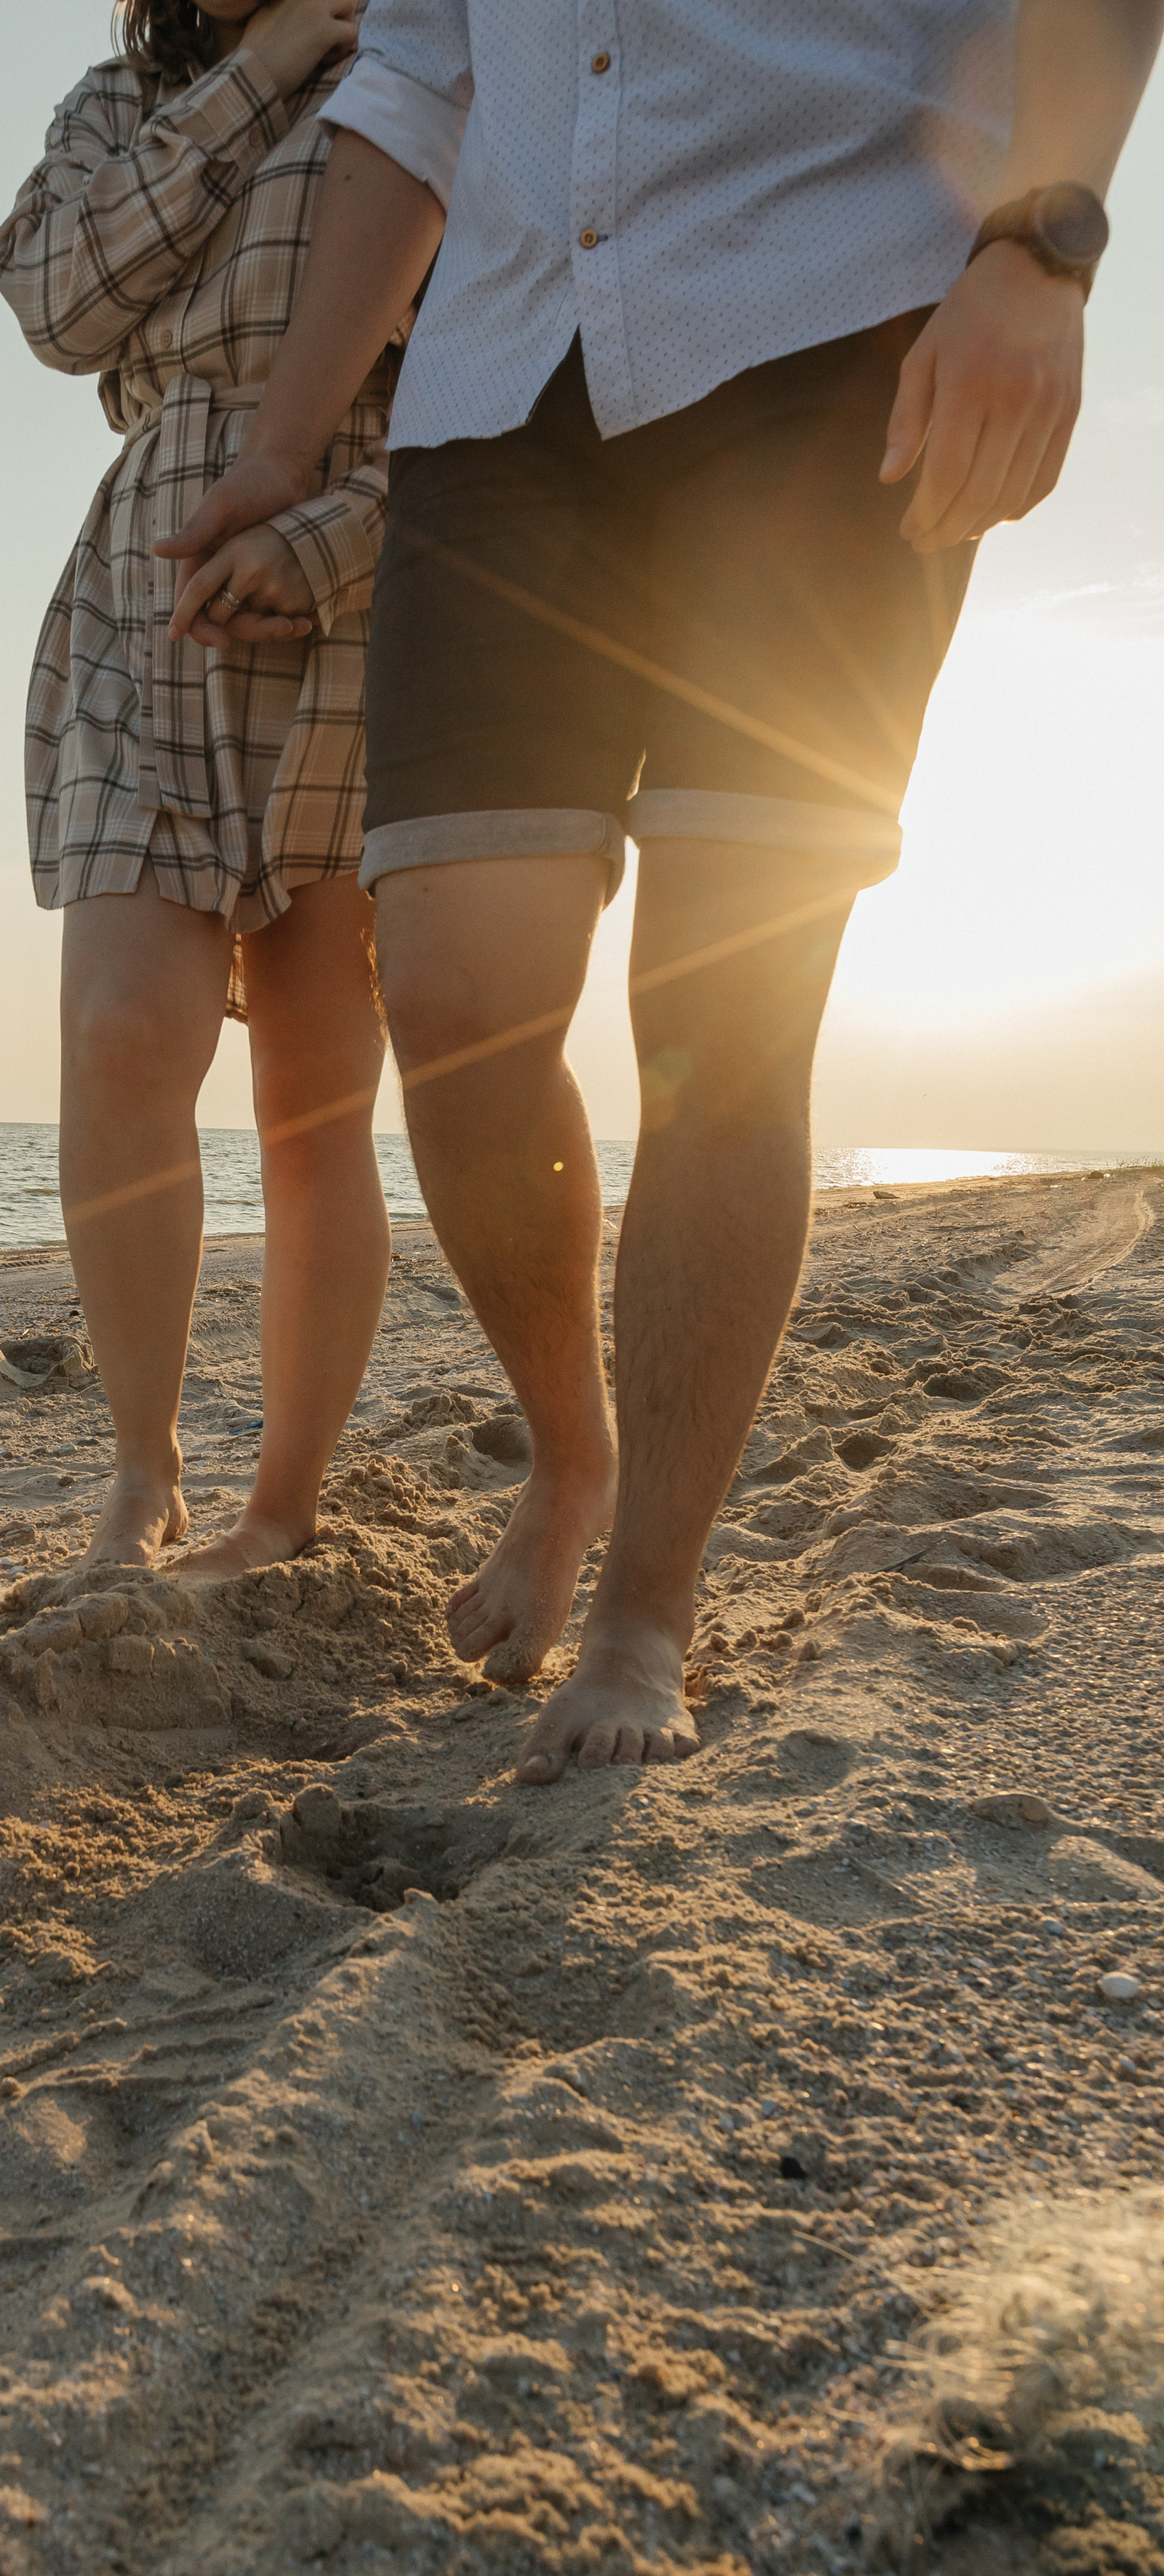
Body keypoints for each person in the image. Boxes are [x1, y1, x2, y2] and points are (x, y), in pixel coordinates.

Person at [161, 0, 1163, 1766]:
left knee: (724, 1013)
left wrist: (1040, 251)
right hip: (495, 396)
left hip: (832, 335)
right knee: (462, 1006)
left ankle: (645, 1605)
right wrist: (280, 440)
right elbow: (416, 92)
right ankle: (569, 1449)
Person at [0, 0, 424, 1583]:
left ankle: (284, 1499)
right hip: (140, 599)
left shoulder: (425, 72)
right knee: (120, 1030)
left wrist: (321, 545)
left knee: (315, 1099)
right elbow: (56, 303)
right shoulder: (123, 98)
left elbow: (481, 358)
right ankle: (139, 1470)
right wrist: (264, 66)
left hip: (350, 595)